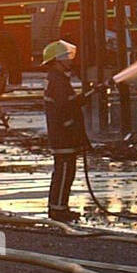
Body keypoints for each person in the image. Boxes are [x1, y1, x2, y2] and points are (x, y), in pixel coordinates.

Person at [42, 39, 86, 222]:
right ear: (56, 61)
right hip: (64, 136)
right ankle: (58, 210)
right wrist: (71, 128)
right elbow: (65, 108)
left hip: (62, 134)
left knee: (64, 171)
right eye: (66, 58)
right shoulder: (58, 81)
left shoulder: (56, 79)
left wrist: (90, 94)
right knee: (65, 172)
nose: (70, 61)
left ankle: (59, 207)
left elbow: (70, 103)